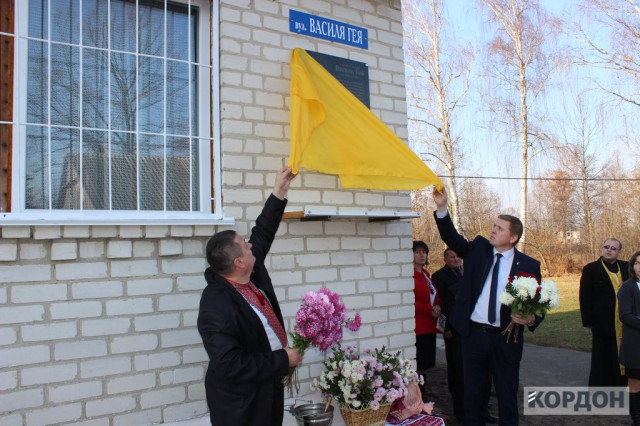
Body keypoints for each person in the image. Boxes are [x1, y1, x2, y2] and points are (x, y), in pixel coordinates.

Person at [197, 166, 303, 426]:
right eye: (245, 246)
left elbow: (263, 230)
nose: (251, 245)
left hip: (267, 390)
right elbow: (230, 364)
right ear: (238, 263)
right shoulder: (216, 305)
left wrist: (279, 189)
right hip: (241, 406)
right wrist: (282, 359)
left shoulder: (250, 272)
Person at [432, 188, 542, 426]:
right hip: (474, 336)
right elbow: (451, 237)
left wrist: (531, 318)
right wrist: (442, 208)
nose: (493, 230)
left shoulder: (529, 265)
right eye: (494, 225)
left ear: (513, 237)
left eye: (500, 228)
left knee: (507, 395)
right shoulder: (479, 249)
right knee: (473, 394)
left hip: (506, 339)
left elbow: (537, 304)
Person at [579, 238, 629, 387]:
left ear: (619, 252)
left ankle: (622, 387)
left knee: (623, 356)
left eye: (613, 248)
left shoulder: (626, 267)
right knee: (602, 358)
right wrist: (589, 322)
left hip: (624, 322)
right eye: (606, 246)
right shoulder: (591, 269)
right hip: (602, 323)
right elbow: (585, 296)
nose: (609, 250)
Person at [412, 240, 442, 393]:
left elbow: (434, 296)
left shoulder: (426, 275)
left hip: (429, 326)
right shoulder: (410, 276)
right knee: (418, 367)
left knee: (425, 368)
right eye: (417, 252)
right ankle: (416, 399)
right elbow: (410, 301)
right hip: (419, 328)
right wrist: (428, 309)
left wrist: (438, 306)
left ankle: (421, 398)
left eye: (424, 252)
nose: (422, 255)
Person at [617, 250, 640, 426]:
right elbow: (625, 315)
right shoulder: (627, 287)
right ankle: (636, 420)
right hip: (635, 345)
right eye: (637, 263)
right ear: (632, 266)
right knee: (635, 383)